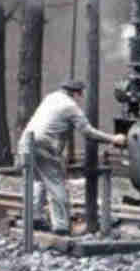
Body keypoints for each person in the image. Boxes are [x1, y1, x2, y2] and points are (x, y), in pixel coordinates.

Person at [18, 79, 126, 235]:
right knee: (56, 184)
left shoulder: (51, 98)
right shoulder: (70, 106)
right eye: (80, 94)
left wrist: (58, 153)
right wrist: (113, 139)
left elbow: (55, 128)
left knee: (38, 181)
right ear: (75, 93)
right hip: (42, 144)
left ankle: (34, 218)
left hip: (25, 142)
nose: (79, 98)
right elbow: (88, 132)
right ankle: (61, 226)